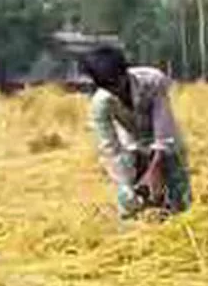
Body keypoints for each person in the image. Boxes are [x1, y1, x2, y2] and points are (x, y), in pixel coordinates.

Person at [81, 45, 192, 219]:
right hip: (132, 145)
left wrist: (155, 169)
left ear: (125, 72)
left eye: (118, 83)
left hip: (166, 142)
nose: (117, 91)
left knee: (178, 197)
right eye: (110, 87)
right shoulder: (100, 104)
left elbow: (163, 129)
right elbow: (110, 148)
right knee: (131, 202)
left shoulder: (152, 81)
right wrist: (127, 185)